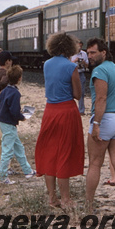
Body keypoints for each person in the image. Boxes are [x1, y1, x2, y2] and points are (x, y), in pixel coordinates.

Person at [34, 32, 84, 209]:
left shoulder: (47, 64)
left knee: (50, 152)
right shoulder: (71, 67)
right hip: (66, 111)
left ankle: (52, 198)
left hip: (50, 111)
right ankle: (65, 199)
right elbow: (77, 94)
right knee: (64, 153)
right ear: (69, 47)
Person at [84, 38, 115, 213]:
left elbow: (101, 99)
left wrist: (96, 124)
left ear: (103, 52)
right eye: (88, 53)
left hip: (106, 118)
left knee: (95, 163)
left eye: (93, 52)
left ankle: (88, 205)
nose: (89, 56)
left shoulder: (100, 71)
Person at [0, 64, 35, 184]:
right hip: (9, 123)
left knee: (18, 147)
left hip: (3, 121)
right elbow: (14, 111)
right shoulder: (15, 93)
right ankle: (2, 176)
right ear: (19, 78)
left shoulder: (4, 91)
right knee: (7, 150)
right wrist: (22, 117)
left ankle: (27, 170)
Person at [71, 41, 90, 115]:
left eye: (81, 46)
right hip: (72, 73)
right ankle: (72, 109)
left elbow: (87, 65)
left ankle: (81, 110)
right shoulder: (71, 53)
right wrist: (74, 61)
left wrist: (83, 62)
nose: (79, 48)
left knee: (81, 92)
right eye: (78, 46)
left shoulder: (84, 54)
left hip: (81, 73)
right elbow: (67, 64)